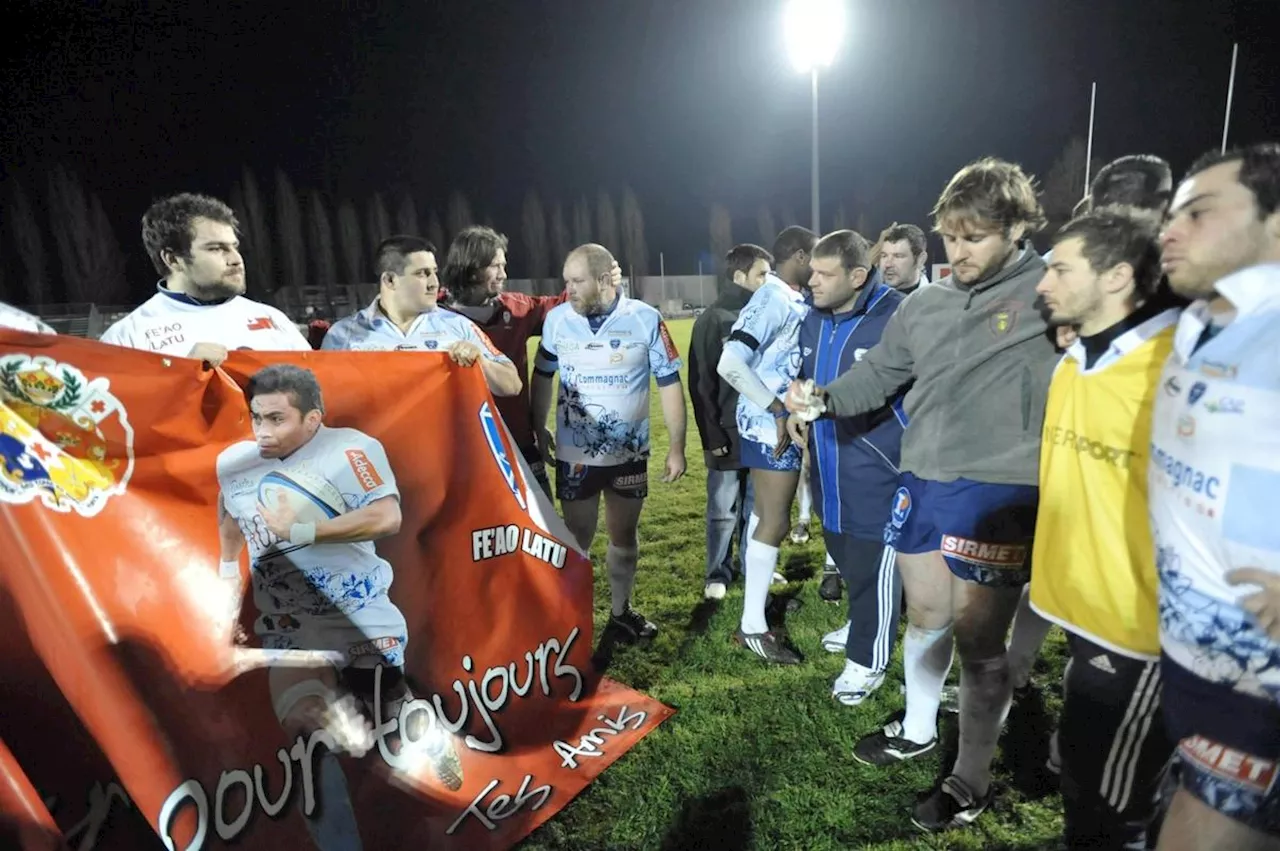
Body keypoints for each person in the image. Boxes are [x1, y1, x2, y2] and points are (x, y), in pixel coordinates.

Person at [788, 158, 1058, 830]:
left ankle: (970, 778)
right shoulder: (927, 304)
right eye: (948, 238)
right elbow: (879, 375)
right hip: (921, 480)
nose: (956, 253)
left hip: (999, 490)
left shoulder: (1052, 294)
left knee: (979, 642)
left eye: (974, 237)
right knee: (926, 615)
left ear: (1018, 227)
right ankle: (918, 725)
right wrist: (823, 398)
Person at [216, 364, 462, 849]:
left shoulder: (353, 450)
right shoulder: (234, 461)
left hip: (357, 612)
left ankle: (428, 735)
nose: (263, 432)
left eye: (277, 420)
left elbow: (387, 516)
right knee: (307, 734)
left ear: (313, 419)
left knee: (389, 703)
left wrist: (304, 531)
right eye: (256, 418)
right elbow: (230, 516)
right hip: (288, 623)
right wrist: (227, 577)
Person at [1030, 205, 1180, 849]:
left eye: (1060, 269)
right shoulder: (1077, 358)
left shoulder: (1177, 367)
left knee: (1111, 806)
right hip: (1085, 612)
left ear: (1117, 276)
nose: (1043, 283)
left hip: (1140, 631)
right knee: (1084, 780)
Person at [1148, 142, 1280, 851]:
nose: (1169, 229)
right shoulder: (1200, 322)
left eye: (1197, 212)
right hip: (1193, 662)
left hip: (1257, 692)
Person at [530, 244, 686, 641]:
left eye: (577, 281)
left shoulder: (646, 319)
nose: (569, 290)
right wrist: (538, 425)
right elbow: (542, 375)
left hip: (628, 455)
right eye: (566, 281)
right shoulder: (557, 320)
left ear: (603, 280)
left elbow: (669, 383)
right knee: (576, 539)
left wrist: (677, 446)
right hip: (575, 455)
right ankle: (572, 618)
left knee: (624, 538)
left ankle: (620, 611)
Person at [788, 230, 906, 704]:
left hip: (879, 465)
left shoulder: (897, 314)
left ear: (858, 276)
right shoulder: (814, 319)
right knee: (842, 546)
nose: (810, 280)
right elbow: (805, 375)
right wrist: (797, 410)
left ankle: (867, 659)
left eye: (823, 273)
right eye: (811, 270)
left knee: (875, 560)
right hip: (827, 460)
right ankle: (862, 624)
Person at [440, 226, 622, 496]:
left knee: (544, 524)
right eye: (495, 266)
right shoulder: (432, 317)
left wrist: (600, 282)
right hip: (464, 450)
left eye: (504, 265)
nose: (504, 274)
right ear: (470, 268)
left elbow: (566, 305)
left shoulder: (516, 309)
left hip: (519, 441)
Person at [717, 225, 815, 663]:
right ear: (799, 256)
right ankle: (753, 625)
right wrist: (777, 409)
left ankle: (757, 605)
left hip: (773, 419)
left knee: (765, 516)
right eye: (815, 258)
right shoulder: (773, 297)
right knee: (774, 519)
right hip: (769, 424)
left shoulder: (787, 296)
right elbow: (730, 362)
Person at [100, 193, 310, 358]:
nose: (236, 259)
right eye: (216, 248)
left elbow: (316, 399)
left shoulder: (272, 318)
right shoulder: (126, 338)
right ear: (173, 260)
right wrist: (185, 376)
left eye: (234, 247)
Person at [321, 235, 522, 398]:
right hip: (373, 448)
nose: (434, 283)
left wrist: (482, 363)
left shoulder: (458, 326)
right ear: (390, 280)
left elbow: (512, 385)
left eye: (434, 272)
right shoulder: (343, 336)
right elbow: (322, 400)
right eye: (422, 274)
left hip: (443, 447)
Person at [688, 244, 768, 601]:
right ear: (740, 277)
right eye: (761, 275)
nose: (768, 281)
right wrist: (712, 434)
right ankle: (717, 573)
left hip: (762, 431)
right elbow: (701, 381)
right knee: (722, 509)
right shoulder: (713, 319)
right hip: (726, 432)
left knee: (757, 507)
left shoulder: (767, 314)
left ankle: (755, 568)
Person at [878, 223, 931, 294]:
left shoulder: (937, 302)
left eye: (898, 256)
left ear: (921, 260)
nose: (888, 264)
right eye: (884, 256)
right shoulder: (868, 300)